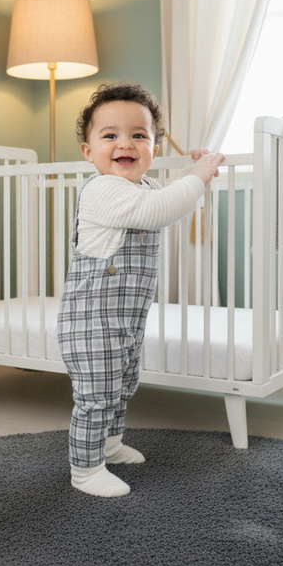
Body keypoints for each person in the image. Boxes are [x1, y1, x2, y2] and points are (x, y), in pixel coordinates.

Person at [57, 82, 224, 497]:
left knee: (121, 386)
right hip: (92, 322)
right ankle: (85, 470)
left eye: (138, 135)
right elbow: (161, 210)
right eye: (110, 135)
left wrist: (193, 172)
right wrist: (196, 176)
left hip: (126, 321)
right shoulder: (102, 189)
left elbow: (174, 202)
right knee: (97, 396)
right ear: (88, 151)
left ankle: (110, 446)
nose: (124, 144)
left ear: (154, 147)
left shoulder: (144, 188)